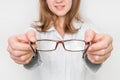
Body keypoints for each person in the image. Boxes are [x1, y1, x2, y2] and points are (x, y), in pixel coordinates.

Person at [7, 0, 113, 80]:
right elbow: (31, 63)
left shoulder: (88, 30)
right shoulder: (33, 32)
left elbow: (94, 63)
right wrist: (24, 53)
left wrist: (96, 55)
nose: (58, 0)